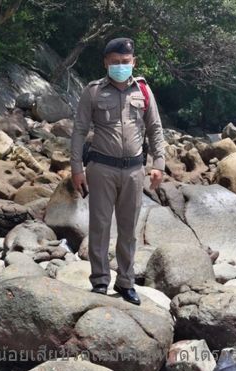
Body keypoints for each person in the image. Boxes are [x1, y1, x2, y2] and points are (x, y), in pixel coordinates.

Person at [71, 37, 166, 306]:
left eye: (125, 62)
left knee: (128, 230)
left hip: (135, 170)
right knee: (99, 226)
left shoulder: (144, 92)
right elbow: (79, 130)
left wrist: (158, 164)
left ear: (133, 61)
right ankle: (100, 280)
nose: (121, 66)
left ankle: (126, 283)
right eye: (115, 63)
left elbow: (155, 129)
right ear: (106, 63)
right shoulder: (93, 91)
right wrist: (76, 168)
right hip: (101, 169)